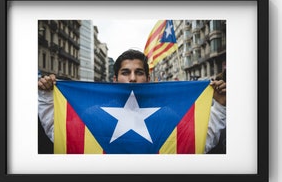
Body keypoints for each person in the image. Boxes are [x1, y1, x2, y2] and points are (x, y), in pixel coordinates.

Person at [38, 49, 226, 153]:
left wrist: (219, 105)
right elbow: (62, 136)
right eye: (125, 72)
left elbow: (200, 142)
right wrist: (46, 97)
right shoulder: (93, 114)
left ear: (148, 78)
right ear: (115, 79)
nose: (133, 78)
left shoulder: (167, 115)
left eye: (139, 72)